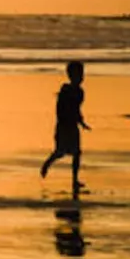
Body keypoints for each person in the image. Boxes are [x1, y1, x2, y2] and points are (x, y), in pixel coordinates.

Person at [41, 60, 90, 195]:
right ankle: (47, 163)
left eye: (82, 75)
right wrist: (62, 122)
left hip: (73, 126)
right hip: (63, 126)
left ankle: (74, 180)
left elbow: (77, 109)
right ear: (70, 76)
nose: (81, 78)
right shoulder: (65, 90)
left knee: (77, 153)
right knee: (60, 152)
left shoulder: (80, 92)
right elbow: (59, 108)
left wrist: (82, 123)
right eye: (77, 75)